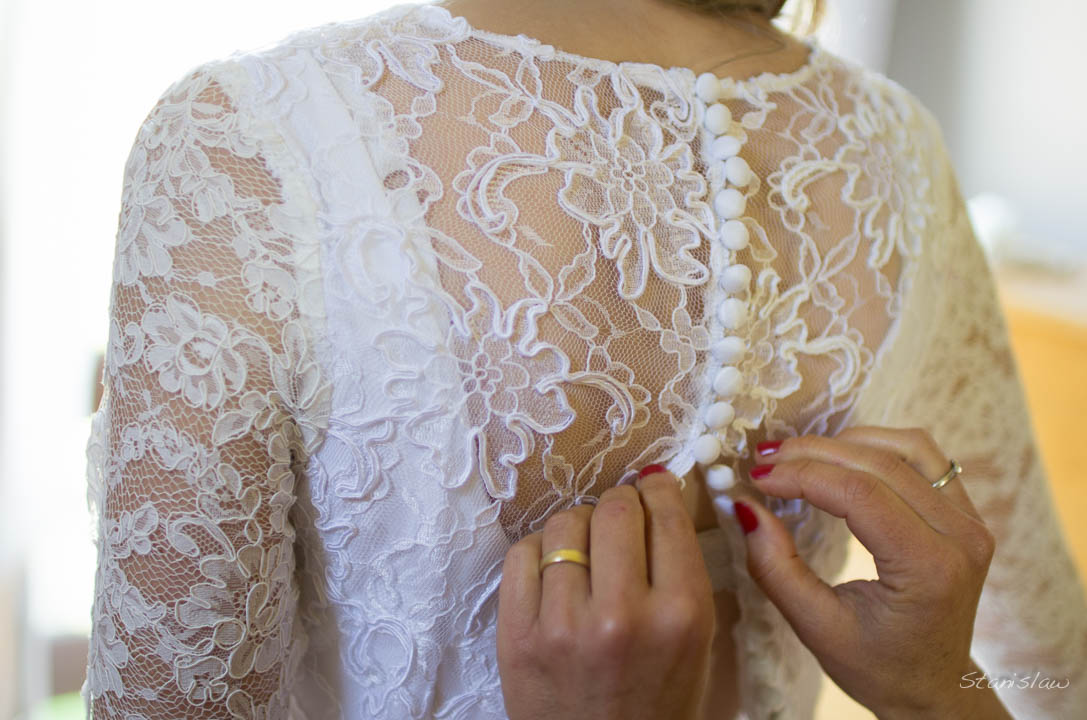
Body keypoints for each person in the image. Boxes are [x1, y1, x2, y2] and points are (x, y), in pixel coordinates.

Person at [80, 0, 1087, 718]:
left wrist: (936, 692)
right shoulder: (896, 149)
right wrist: (946, 695)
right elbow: (1058, 676)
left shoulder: (251, 142)